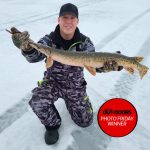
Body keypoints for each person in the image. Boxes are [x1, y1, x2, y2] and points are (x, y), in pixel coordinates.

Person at [11, 3, 123, 145]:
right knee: (37, 102)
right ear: (59, 20)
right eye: (65, 17)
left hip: (75, 86)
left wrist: (107, 66)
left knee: (85, 122)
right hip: (53, 83)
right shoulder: (48, 40)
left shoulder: (85, 43)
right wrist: (27, 48)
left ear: (77, 21)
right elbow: (35, 56)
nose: (68, 21)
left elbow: (93, 65)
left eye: (72, 18)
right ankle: (52, 125)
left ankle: (77, 102)